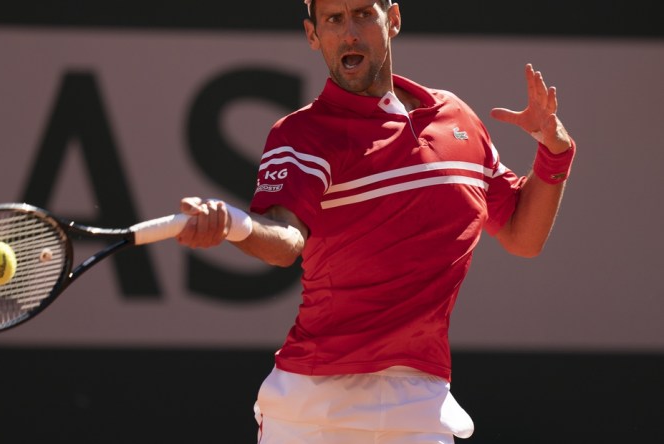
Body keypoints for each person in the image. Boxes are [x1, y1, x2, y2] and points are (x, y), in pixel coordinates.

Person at [175, 0, 576, 442]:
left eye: (364, 14)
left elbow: (523, 236)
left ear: (394, 20)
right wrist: (234, 224)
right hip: (314, 407)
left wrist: (554, 153)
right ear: (313, 35)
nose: (350, 32)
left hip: (421, 404)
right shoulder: (303, 134)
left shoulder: (457, 119)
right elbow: (287, 239)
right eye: (334, 19)